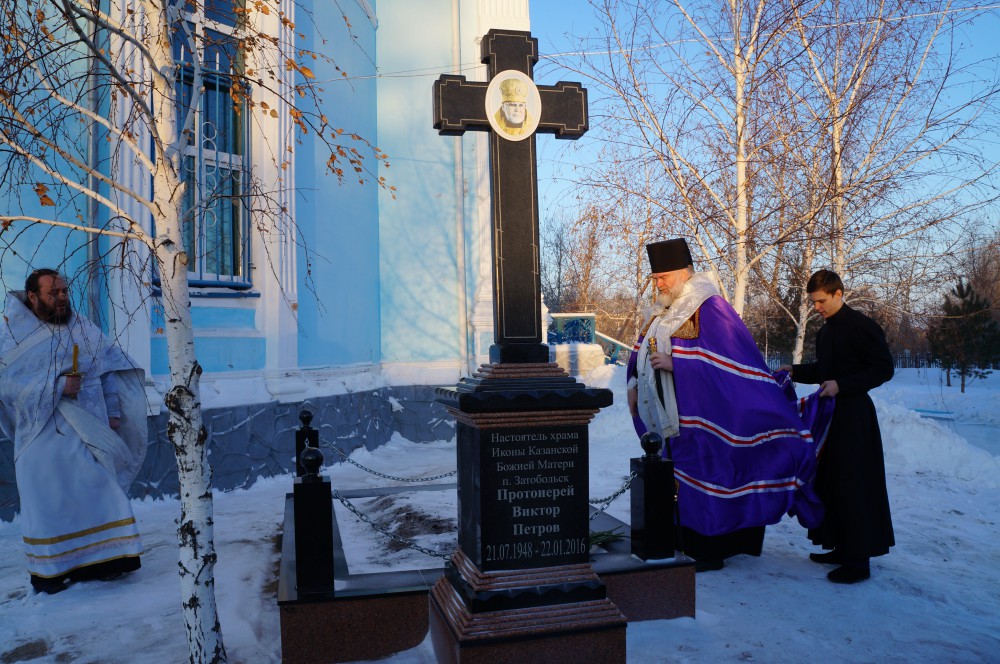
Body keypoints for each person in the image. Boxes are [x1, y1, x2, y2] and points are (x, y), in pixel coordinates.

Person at [627, 239, 830, 571]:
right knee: (679, 477)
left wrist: (679, 362)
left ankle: (711, 549)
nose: (657, 284)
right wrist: (635, 382)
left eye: (662, 277)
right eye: (655, 278)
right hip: (673, 416)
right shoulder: (665, 308)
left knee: (713, 475)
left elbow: (733, 360)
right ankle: (685, 540)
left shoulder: (710, 306)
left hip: (710, 416)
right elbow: (642, 350)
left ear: (681, 273)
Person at [0, 269, 147, 594]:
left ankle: (111, 561)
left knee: (101, 493)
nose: (63, 297)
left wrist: (112, 412)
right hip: (41, 436)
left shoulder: (82, 326)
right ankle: (54, 572)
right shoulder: (13, 335)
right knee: (50, 503)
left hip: (90, 429)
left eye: (65, 291)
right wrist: (56, 385)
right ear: (33, 297)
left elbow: (108, 368)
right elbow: (7, 385)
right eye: (54, 293)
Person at [781, 269, 895, 584]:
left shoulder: (862, 326)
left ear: (838, 294)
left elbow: (883, 369)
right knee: (830, 481)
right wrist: (795, 371)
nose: (816, 307)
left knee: (853, 485)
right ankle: (839, 547)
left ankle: (858, 562)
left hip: (855, 417)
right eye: (813, 301)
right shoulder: (826, 331)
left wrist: (843, 385)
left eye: (820, 301)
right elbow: (825, 370)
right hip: (829, 415)